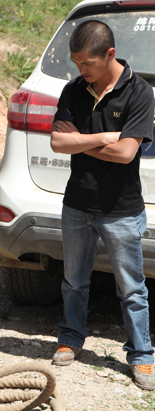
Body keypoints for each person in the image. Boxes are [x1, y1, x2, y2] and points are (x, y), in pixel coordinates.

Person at [50, 20, 154, 390]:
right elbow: (57, 143)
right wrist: (104, 137)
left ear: (110, 54)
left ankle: (142, 355)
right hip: (77, 204)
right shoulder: (74, 90)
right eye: (76, 63)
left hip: (121, 209)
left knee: (132, 290)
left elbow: (126, 153)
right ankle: (70, 337)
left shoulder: (139, 92)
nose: (81, 70)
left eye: (87, 63)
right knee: (73, 281)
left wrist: (80, 140)